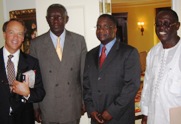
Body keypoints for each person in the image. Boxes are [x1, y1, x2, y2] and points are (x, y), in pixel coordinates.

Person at [30, 3, 87, 124]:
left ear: (67, 19)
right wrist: (35, 106)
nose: (55, 20)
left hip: (72, 105)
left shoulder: (79, 41)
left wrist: (84, 101)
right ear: (46, 19)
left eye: (60, 17)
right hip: (48, 105)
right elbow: (33, 79)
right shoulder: (36, 44)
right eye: (51, 17)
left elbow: (83, 75)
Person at [83, 14, 141, 124]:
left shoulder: (129, 52)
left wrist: (112, 111)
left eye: (106, 27)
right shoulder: (90, 54)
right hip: (96, 118)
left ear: (114, 29)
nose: (101, 30)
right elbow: (86, 85)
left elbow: (132, 86)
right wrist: (91, 110)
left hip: (120, 118)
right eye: (98, 27)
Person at [0, 18, 45, 124]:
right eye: (11, 32)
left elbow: (40, 93)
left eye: (20, 34)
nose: (15, 37)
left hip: (24, 119)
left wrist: (28, 93)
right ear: (4, 34)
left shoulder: (32, 62)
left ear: (23, 38)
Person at [140, 9, 181, 124]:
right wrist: (145, 114)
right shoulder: (153, 52)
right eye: (158, 24)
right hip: (154, 115)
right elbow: (147, 85)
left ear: (177, 26)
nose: (161, 28)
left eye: (166, 23)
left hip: (176, 117)